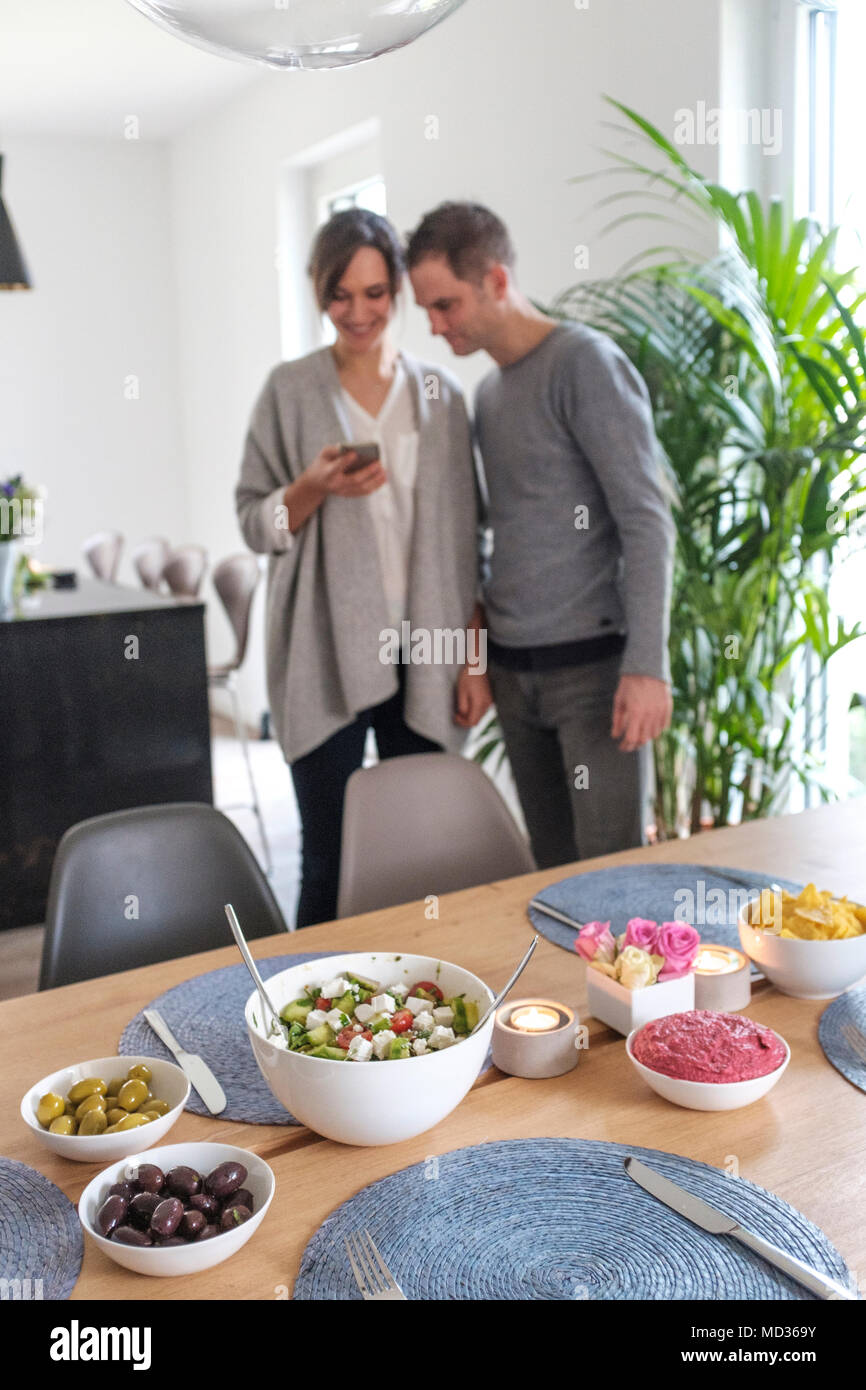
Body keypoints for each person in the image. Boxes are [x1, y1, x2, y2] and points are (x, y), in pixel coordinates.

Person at [236, 208, 488, 926]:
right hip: (324, 649)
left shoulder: (442, 396)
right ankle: (306, 1018)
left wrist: (473, 659)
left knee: (424, 852)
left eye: (375, 293)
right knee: (328, 857)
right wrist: (311, 488)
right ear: (320, 293)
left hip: (427, 649)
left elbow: (471, 539)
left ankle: (423, 1011)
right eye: (340, 294)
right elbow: (256, 524)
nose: (358, 312)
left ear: (398, 291)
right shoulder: (289, 391)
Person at [407, 201, 674, 869]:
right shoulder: (490, 396)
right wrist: (477, 657)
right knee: (551, 869)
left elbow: (646, 519)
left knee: (607, 871)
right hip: (513, 673)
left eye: (446, 305)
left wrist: (647, 667)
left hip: (591, 674)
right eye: (428, 312)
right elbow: (488, 539)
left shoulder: (585, 365)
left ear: (497, 280)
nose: (436, 327)